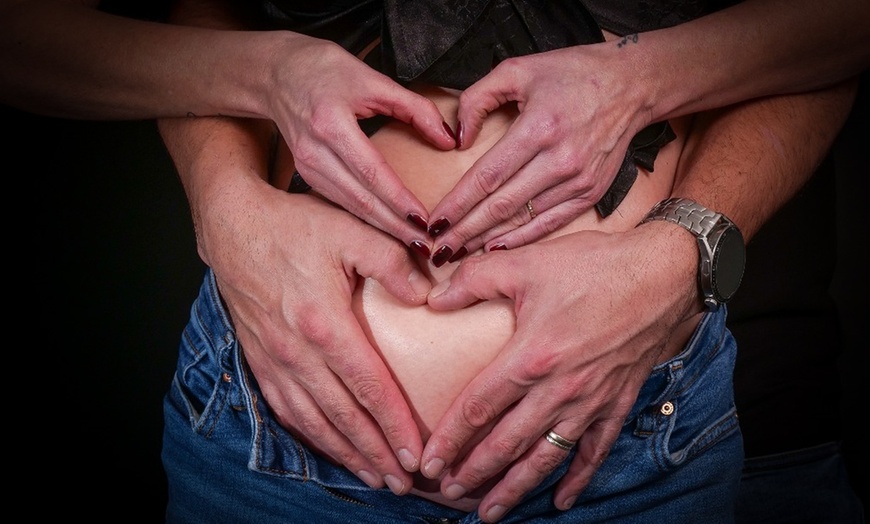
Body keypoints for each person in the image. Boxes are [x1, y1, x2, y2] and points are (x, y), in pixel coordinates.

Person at [157, 1, 861, 522]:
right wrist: (221, 207)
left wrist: (678, 255)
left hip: (632, 432)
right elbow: (198, 14)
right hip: (272, 423)